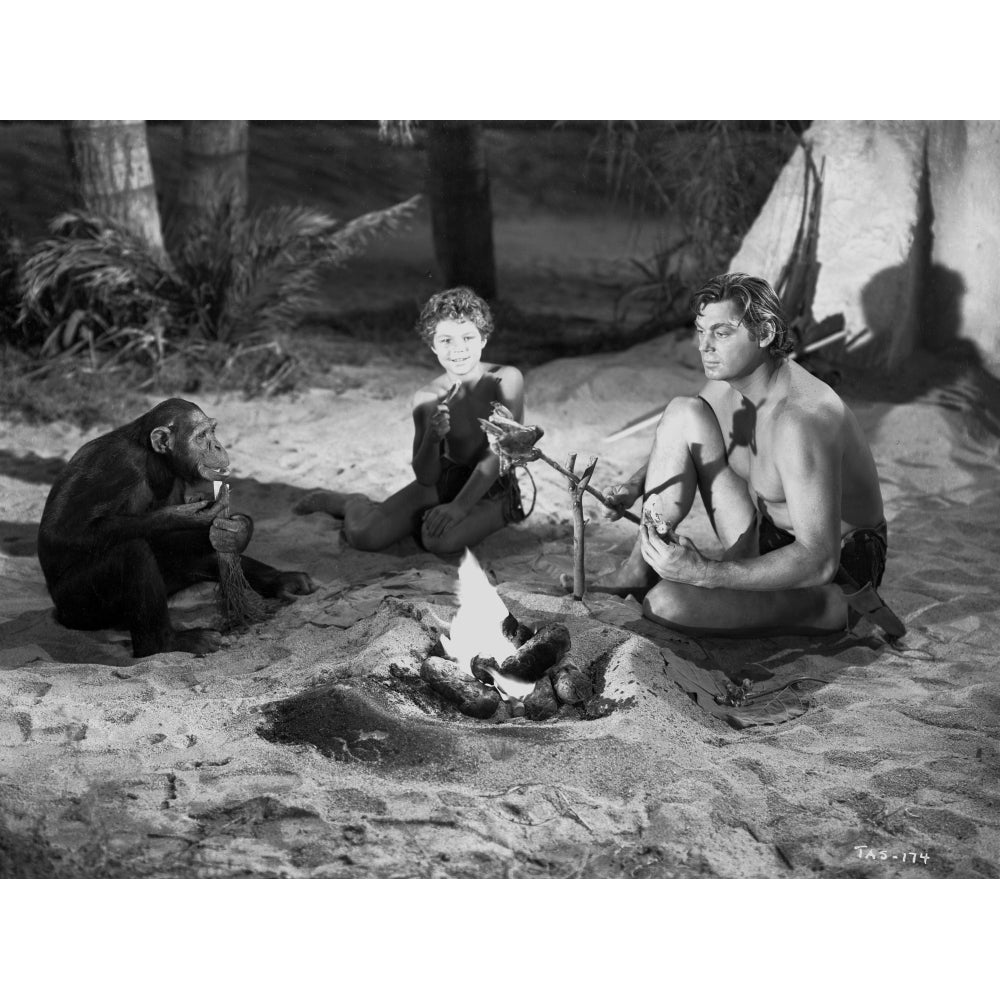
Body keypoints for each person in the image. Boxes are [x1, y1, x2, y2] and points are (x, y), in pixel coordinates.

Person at [595, 272, 897, 637]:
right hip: (767, 533)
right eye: (701, 330)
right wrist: (632, 487)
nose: (704, 346)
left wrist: (705, 573)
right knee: (682, 412)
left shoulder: (799, 421)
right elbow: (677, 442)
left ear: (765, 333)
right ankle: (638, 567)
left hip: (833, 569)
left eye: (721, 333)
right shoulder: (731, 386)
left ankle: (826, 610)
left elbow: (819, 559)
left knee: (668, 603)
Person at [294, 286, 528, 554]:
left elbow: (501, 451)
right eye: (446, 340)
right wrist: (432, 438)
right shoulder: (427, 397)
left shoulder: (506, 380)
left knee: (439, 540)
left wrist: (459, 507)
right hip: (448, 479)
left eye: (467, 337)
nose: (458, 349)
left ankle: (499, 511)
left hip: (493, 487)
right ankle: (351, 503)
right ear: (432, 345)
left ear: (483, 339)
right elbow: (427, 476)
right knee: (364, 536)